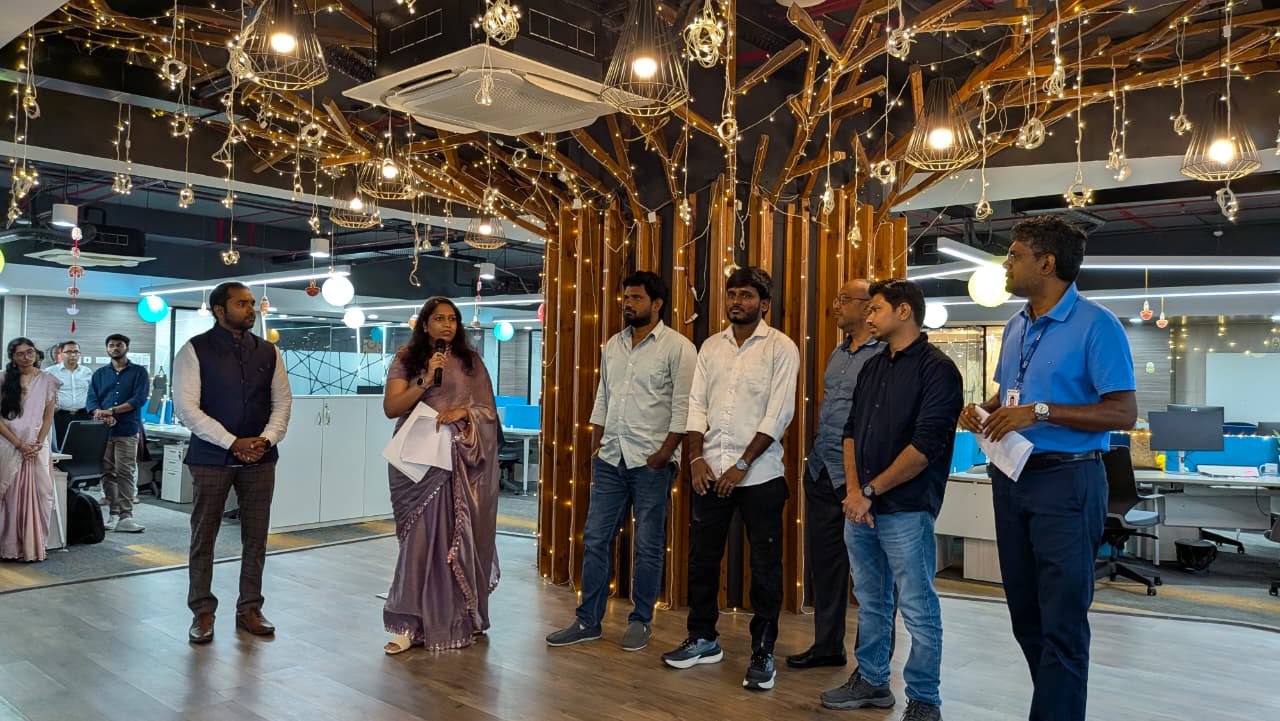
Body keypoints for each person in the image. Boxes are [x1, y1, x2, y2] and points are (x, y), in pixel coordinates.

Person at [958, 215, 1136, 721]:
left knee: (1062, 620)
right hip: (1012, 478)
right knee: (1025, 616)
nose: (1006, 264)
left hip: (1067, 480)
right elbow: (1009, 396)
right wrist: (984, 410)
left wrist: (1040, 412)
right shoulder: (1017, 325)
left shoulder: (1096, 325)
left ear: (1047, 262)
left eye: (1014, 255)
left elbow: (1123, 412)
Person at [821, 280, 962, 721]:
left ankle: (924, 699)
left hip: (906, 508)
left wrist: (868, 491)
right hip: (860, 507)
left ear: (904, 312)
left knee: (918, 606)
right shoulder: (873, 366)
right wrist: (852, 492)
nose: (868, 316)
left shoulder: (938, 370)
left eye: (876, 309)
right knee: (871, 598)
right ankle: (872, 680)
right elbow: (849, 433)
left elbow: (925, 449)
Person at [661, 266, 799, 692]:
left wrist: (742, 464)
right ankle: (703, 637)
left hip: (760, 476)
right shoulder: (710, 347)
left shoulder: (781, 348)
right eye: (732, 293)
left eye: (746, 295)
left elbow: (779, 413)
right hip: (709, 473)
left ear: (764, 303)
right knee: (702, 561)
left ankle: (763, 649)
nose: (737, 301)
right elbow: (695, 404)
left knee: (765, 568)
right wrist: (696, 458)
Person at [546, 271, 696, 652]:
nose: (628, 304)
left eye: (636, 298)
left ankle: (641, 620)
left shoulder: (678, 348)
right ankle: (587, 620)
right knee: (595, 539)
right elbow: (603, 398)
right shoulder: (613, 344)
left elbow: (684, 408)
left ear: (657, 304)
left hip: (652, 463)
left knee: (648, 544)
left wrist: (664, 455)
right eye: (625, 298)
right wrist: (597, 445)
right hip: (611, 458)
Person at [173, 282, 292, 644]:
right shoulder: (194, 350)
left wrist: (265, 440)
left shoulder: (269, 352)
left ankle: (250, 607)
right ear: (219, 310)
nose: (251, 309)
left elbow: (282, 404)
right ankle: (202, 611)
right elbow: (186, 408)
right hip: (211, 458)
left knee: (255, 536)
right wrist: (231, 442)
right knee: (203, 536)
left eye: (252, 303)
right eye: (242, 303)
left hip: (261, 458)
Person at [381, 296, 500, 654]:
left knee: (457, 542)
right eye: (439, 319)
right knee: (417, 544)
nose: (447, 325)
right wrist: (424, 380)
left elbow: (489, 413)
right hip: (417, 464)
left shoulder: (470, 362)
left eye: (452, 319)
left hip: (461, 463)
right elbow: (391, 408)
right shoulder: (407, 359)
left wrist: (463, 411)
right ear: (425, 325)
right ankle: (407, 623)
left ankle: (460, 619)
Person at [786, 278, 882, 670]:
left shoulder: (883, 354)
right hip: (822, 470)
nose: (836, 305)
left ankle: (871, 662)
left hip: (860, 477)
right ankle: (827, 645)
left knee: (871, 574)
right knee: (825, 567)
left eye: (845, 299)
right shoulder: (838, 352)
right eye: (837, 297)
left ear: (868, 306)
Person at [0, 338, 59, 562]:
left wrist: (37, 443)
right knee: (10, 497)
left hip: (36, 448)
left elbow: (48, 417)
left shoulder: (48, 381)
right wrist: (19, 444)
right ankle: (9, 548)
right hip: (9, 446)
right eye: (20, 354)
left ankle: (33, 547)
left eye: (30, 352)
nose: (26, 357)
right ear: (12, 358)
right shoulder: (3, 379)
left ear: (36, 354)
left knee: (42, 494)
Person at [86, 333, 150, 533]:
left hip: (127, 429)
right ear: (107, 349)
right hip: (103, 431)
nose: (115, 348)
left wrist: (113, 411)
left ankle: (126, 516)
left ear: (126, 348)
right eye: (111, 345)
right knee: (107, 472)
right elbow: (91, 399)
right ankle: (113, 515)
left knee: (125, 472)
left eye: (119, 345)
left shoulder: (139, 372)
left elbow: (139, 399)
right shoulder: (99, 374)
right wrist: (100, 413)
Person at [47, 340, 94, 450]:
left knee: (83, 446)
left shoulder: (87, 372)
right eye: (68, 352)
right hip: (60, 416)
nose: (73, 355)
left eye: (76, 352)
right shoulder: (50, 372)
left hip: (83, 415)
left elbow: (92, 393)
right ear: (61, 354)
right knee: (61, 447)